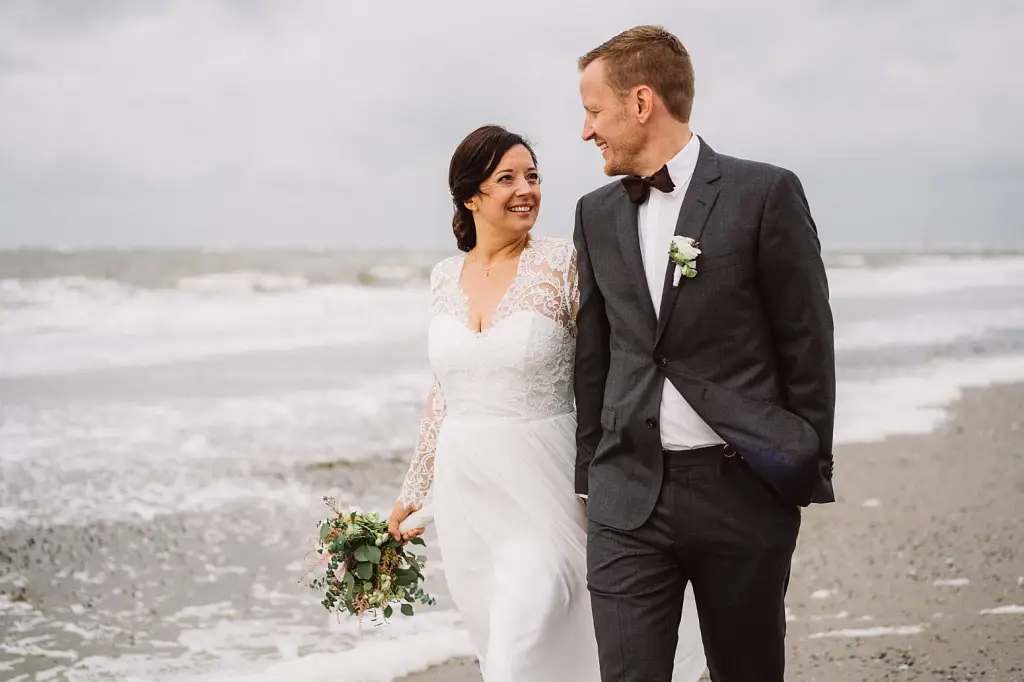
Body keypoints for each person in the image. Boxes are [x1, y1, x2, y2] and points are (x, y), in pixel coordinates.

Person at [388, 125, 706, 681]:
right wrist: (414, 493)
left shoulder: (564, 263)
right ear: (470, 196)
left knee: (528, 625)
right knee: (500, 639)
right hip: (466, 492)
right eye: (506, 178)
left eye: (532, 176)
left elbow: (615, 359)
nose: (526, 190)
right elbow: (443, 393)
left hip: (545, 478)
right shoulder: (444, 276)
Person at [573, 26, 837, 682]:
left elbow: (806, 338)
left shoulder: (764, 193)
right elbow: (594, 355)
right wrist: (589, 476)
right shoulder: (593, 214)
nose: (586, 130)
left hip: (740, 493)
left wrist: (801, 464)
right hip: (626, 498)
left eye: (594, 111)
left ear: (641, 103)